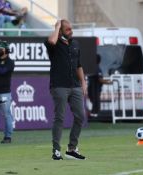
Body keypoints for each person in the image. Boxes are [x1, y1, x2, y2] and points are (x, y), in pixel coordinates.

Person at [44, 19, 87, 160]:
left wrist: (83, 82)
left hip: (75, 85)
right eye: (67, 29)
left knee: (80, 116)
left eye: (71, 28)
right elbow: (51, 41)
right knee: (60, 118)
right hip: (59, 86)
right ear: (60, 30)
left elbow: (79, 65)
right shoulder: (54, 44)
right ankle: (56, 150)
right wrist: (57, 26)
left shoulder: (75, 44)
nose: (71, 31)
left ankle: (72, 148)